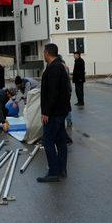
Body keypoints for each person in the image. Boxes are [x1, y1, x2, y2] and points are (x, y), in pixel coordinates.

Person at [38, 43, 71, 183]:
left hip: (54, 112)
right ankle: (61, 169)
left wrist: (46, 112)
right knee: (60, 140)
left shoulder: (54, 68)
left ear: (47, 53)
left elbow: (52, 92)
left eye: (43, 52)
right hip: (60, 110)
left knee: (48, 141)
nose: (43, 55)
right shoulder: (60, 65)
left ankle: (53, 172)